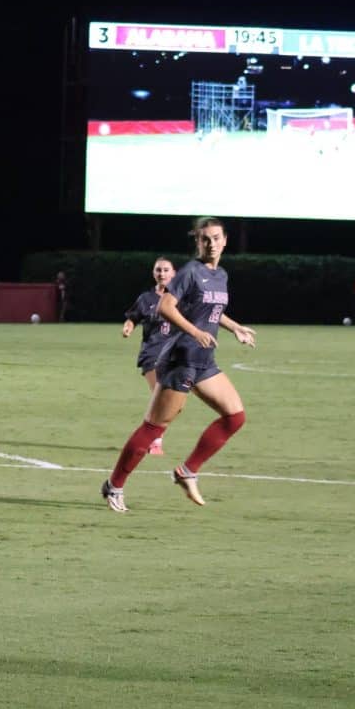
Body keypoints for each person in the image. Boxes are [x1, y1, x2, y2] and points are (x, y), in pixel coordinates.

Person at [101, 217, 256, 513]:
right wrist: (195, 332)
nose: (211, 244)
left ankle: (187, 471)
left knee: (235, 417)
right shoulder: (189, 272)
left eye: (215, 238)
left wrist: (235, 327)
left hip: (204, 361)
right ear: (197, 242)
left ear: (225, 241)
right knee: (153, 428)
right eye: (204, 239)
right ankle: (114, 486)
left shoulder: (220, 275)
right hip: (181, 359)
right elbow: (165, 307)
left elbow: (211, 310)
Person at [120, 257, 176, 455]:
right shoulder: (146, 298)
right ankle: (154, 441)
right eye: (158, 270)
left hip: (174, 355)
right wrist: (128, 328)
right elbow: (132, 318)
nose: (162, 273)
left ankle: (148, 435)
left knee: (173, 404)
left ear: (173, 273)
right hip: (152, 354)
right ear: (154, 273)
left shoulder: (180, 298)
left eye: (165, 270)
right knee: (159, 395)